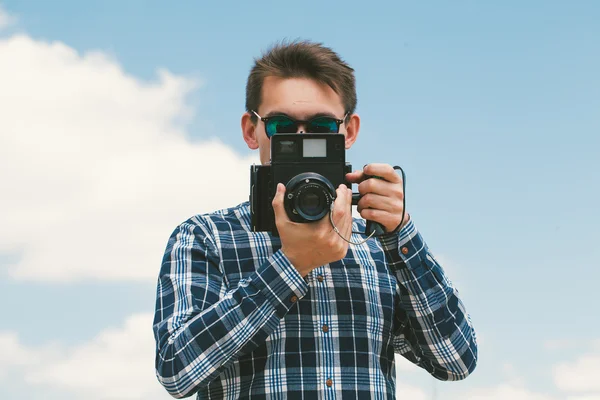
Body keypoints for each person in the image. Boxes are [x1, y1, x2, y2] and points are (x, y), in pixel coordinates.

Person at [153, 39, 478, 399]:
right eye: (281, 125)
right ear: (251, 129)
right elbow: (176, 371)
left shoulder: (378, 244)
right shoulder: (205, 237)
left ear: (349, 130)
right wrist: (291, 265)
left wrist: (401, 233)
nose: (303, 139)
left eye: (322, 125)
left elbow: (455, 360)